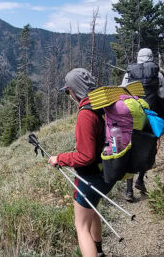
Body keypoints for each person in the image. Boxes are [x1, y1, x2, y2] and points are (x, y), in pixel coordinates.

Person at [48, 68, 112, 257]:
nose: (69, 95)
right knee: (92, 212)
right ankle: (99, 250)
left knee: (81, 227)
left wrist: (59, 159)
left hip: (90, 177)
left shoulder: (86, 114)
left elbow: (86, 156)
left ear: (74, 90)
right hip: (106, 173)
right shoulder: (102, 106)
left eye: (68, 91)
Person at [121, 48, 164, 202]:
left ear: (138, 57)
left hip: (133, 115)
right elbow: (162, 96)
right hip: (151, 115)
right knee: (148, 147)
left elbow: (122, 93)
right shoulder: (158, 73)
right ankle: (140, 180)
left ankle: (128, 191)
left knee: (131, 148)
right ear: (151, 57)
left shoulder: (129, 73)